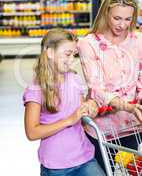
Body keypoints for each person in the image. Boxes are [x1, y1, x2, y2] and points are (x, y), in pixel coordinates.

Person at [77, 0, 142, 171]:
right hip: (103, 130)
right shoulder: (89, 44)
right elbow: (96, 89)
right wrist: (128, 106)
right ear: (106, 13)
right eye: (117, 18)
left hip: (135, 127)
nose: (122, 25)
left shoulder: (140, 40)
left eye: (128, 19)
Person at [23, 29, 105, 176]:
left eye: (74, 55)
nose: (71, 60)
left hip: (84, 157)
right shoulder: (36, 89)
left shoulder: (75, 80)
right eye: (67, 54)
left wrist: (91, 107)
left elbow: (82, 116)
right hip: (56, 166)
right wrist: (69, 120)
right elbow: (32, 132)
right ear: (50, 53)